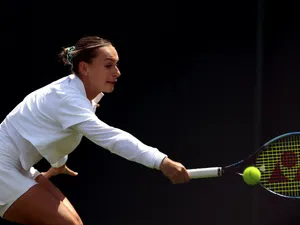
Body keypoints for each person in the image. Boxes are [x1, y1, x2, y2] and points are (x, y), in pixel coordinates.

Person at [0, 36, 190, 225]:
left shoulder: (79, 96)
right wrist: (161, 161)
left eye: (116, 65)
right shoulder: (69, 99)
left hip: (18, 167)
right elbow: (112, 138)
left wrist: (58, 162)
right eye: (108, 65)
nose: (117, 72)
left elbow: (53, 131)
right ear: (84, 68)